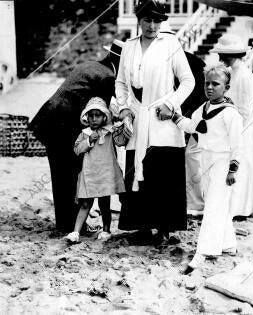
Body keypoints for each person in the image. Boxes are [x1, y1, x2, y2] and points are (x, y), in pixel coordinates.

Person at [115, 0, 195, 244]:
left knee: (162, 172)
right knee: (138, 170)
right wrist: (124, 109)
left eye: (157, 20)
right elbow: (120, 83)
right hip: (138, 116)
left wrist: (170, 104)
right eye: (147, 20)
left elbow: (188, 81)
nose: (152, 25)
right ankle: (141, 227)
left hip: (162, 118)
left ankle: (164, 228)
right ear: (138, 20)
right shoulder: (128, 47)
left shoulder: (170, 43)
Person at [28, 39, 125, 233]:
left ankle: (66, 224)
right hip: (62, 127)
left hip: (47, 120)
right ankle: (70, 225)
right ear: (122, 62)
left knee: (61, 174)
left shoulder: (90, 65)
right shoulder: (108, 77)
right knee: (71, 174)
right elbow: (100, 112)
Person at [171, 63, 243, 274]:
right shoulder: (203, 108)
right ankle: (228, 244)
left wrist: (233, 169)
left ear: (226, 87)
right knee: (217, 204)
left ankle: (203, 251)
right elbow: (192, 127)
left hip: (223, 163)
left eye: (216, 84)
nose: (210, 87)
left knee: (212, 206)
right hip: (206, 160)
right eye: (207, 83)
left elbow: (238, 144)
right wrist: (175, 117)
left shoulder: (231, 114)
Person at [210, 34, 253, 219]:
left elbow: (246, 108)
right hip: (240, 123)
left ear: (233, 54)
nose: (221, 58)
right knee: (241, 165)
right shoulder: (233, 72)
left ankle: (246, 208)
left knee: (246, 164)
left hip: (249, 127)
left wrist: (236, 133)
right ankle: (239, 207)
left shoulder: (244, 75)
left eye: (223, 54)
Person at [66, 97, 125, 243]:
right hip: (90, 173)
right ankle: (75, 232)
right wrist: (89, 141)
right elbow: (77, 149)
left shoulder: (110, 132)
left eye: (97, 115)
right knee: (85, 203)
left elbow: (121, 141)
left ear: (104, 117)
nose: (94, 119)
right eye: (91, 115)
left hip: (105, 172)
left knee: (105, 203)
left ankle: (106, 230)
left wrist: (119, 127)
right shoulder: (85, 133)